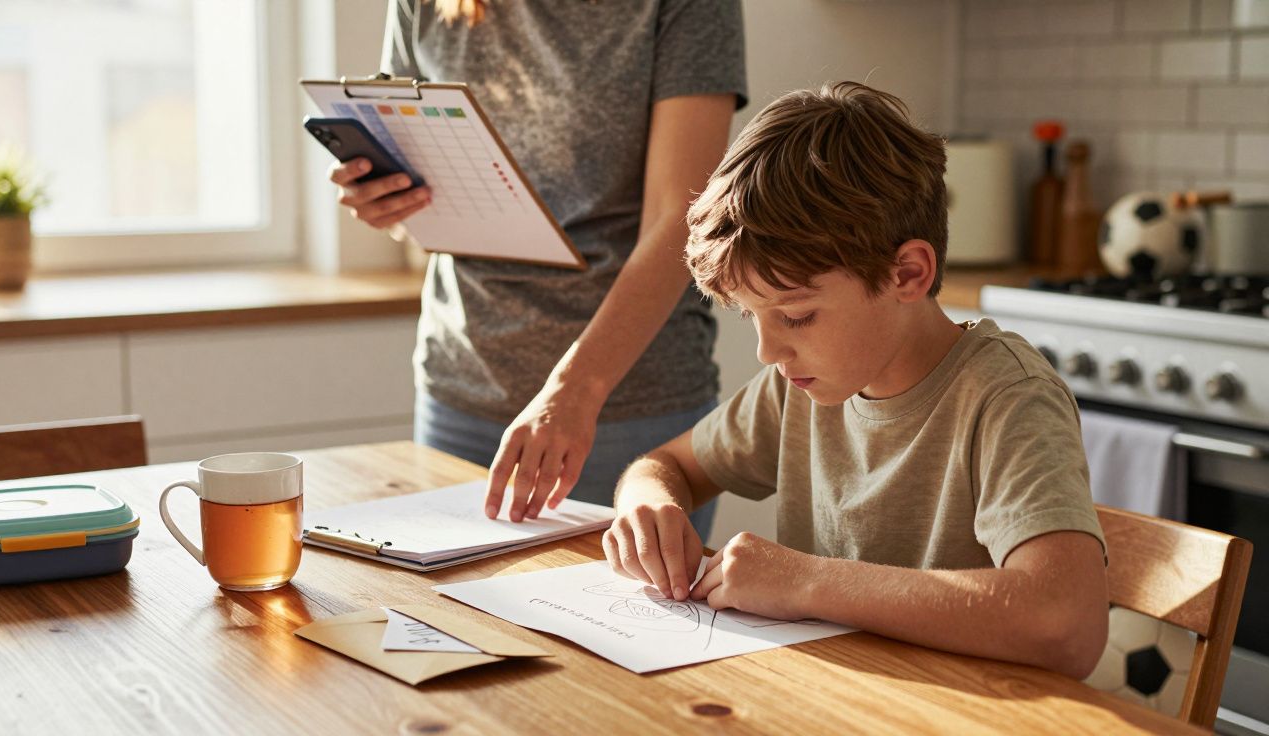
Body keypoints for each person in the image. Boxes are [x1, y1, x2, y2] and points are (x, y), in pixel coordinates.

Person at [603, 82, 1110, 678]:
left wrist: (806, 581)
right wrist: (648, 508)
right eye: (751, 316)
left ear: (908, 273)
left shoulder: (1006, 396)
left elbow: (1066, 623)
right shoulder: (799, 387)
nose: (768, 350)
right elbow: (665, 467)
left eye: (795, 315)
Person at [328, 0, 746, 538]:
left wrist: (574, 390)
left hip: (628, 407)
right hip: (462, 388)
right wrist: (388, 204)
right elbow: (427, 202)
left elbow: (680, 221)